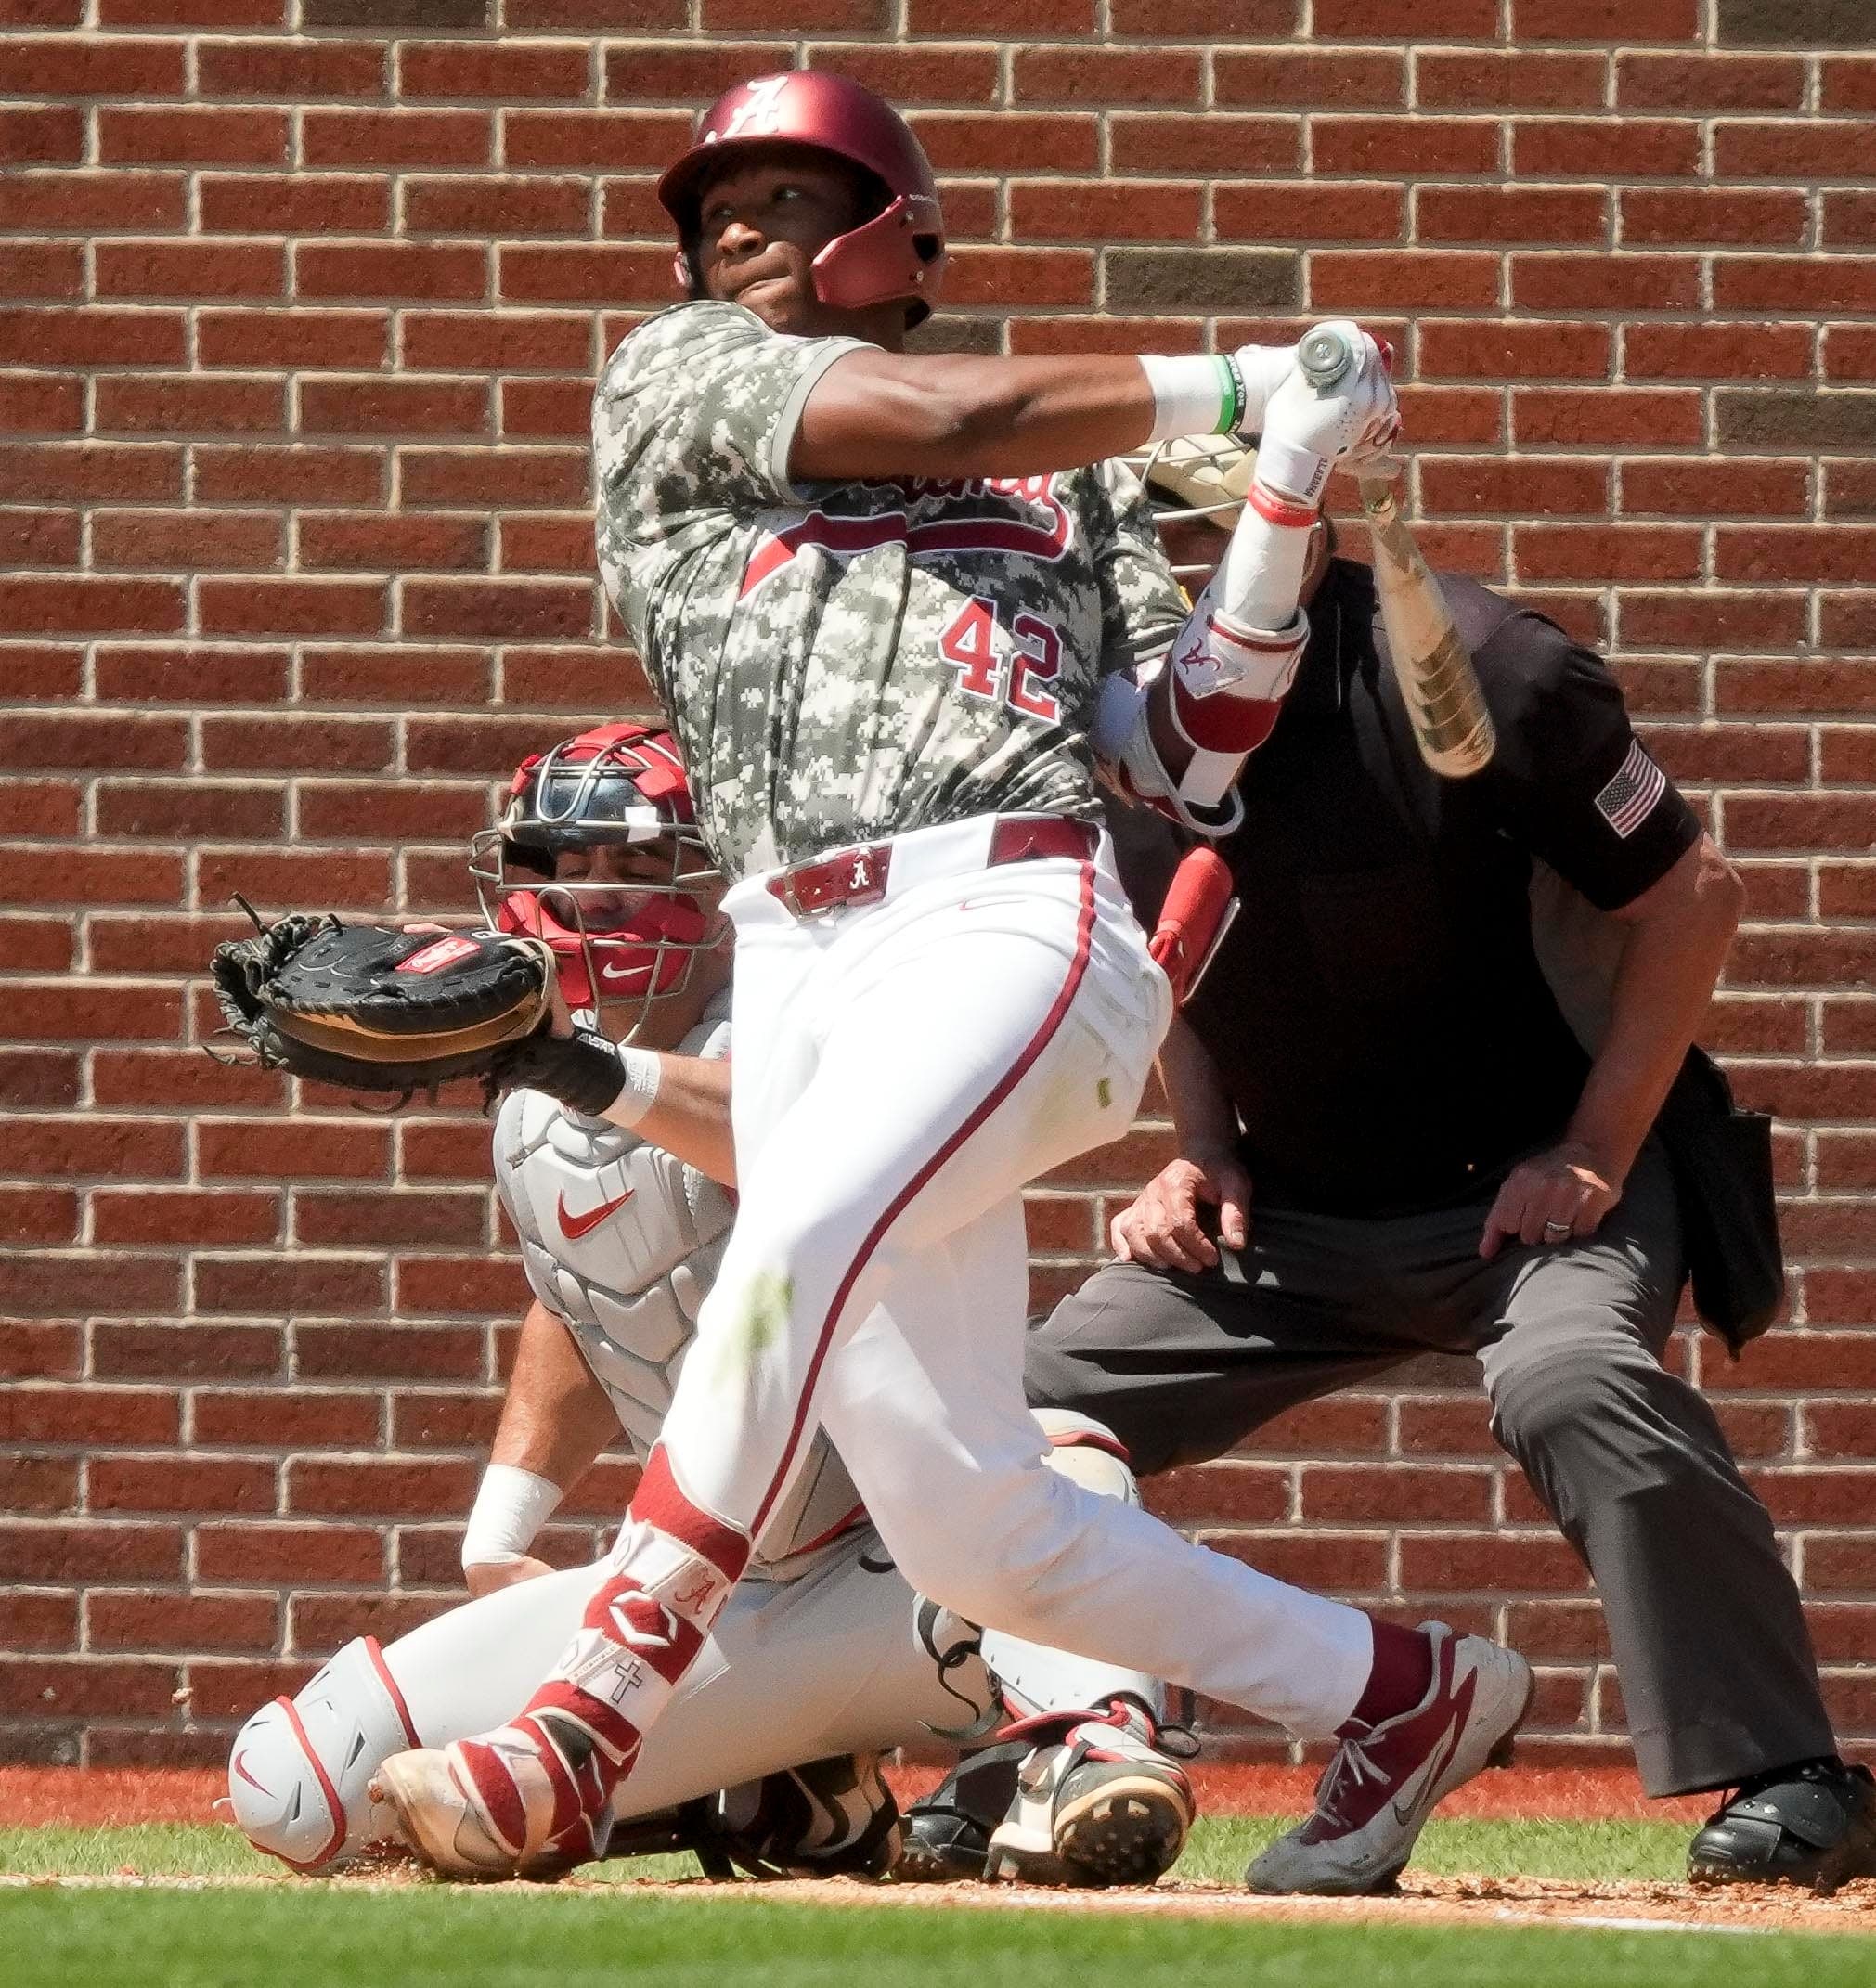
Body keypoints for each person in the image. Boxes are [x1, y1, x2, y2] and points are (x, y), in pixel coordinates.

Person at [368, 70, 1533, 1901]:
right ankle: (1396, 1691)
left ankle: (579, 1728)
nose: (730, 237)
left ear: (891, 223)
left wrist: (1284, 494)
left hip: (1009, 919)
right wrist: (1248, 387)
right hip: (797, 953)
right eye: (715, 210)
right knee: (974, 1524)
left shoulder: (1064, 484)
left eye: (779, 199)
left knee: (797, 1227)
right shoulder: (680, 384)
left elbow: (1188, 754)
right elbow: (938, 408)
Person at [1024, 436, 1876, 1893]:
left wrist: (1595, 1149)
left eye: (1191, 541)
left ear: (1286, 544)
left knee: (1574, 1380)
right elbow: (1180, 947)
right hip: (1288, 1209)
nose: (1157, 578)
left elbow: (1696, 901)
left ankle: (1797, 1773)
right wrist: (1201, 1150)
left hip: (1532, 1186)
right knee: (1000, 1410)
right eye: (1126, 547)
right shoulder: (1090, 719)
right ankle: (1058, 1743)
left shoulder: (1488, 666)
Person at [226, 724, 1197, 1887]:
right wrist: (500, 1526)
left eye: (641, 870)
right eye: (569, 866)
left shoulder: (824, 1006)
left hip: (912, 1574)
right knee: (294, 1787)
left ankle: (1091, 1747)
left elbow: (793, 1144)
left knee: (1066, 1459)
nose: (600, 901)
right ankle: (783, 1789)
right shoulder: (533, 1098)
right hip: (690, 1601)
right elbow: (588, 1299)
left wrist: (577, 1064)